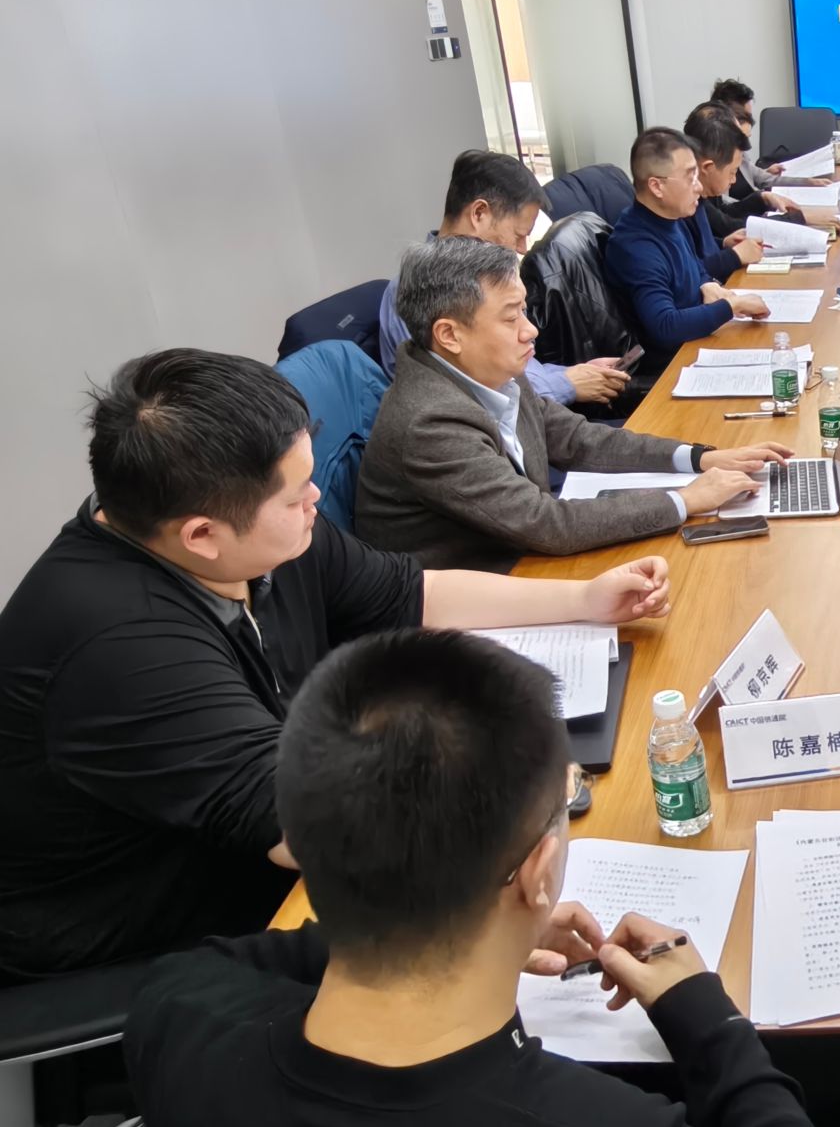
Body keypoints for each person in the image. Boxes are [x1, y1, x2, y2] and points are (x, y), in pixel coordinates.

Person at [125, 628, 840, 1127]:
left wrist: (449, 916)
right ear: (540, 872)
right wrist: (709, 1019)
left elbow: (227, 962)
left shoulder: (175, 1017)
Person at [0, 350, 676, 980]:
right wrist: (496, 882)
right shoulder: (119, 645)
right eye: (296, 495)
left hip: (279, 846)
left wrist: (582, 600)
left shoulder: (249, 535)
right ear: (201, 535)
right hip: (171, 935)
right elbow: (309, 826)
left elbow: (410, 593)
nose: (317, 501)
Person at [355, 237, 784, 571]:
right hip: (474, 598)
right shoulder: (430, 422)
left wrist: (698, 458)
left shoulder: (486, 369)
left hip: (524, 557)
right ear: (450, 334)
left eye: (524, 312)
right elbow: (546, 524)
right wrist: (685, 500)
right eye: (511, 317)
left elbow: (578, 439)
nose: (530, 331)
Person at [375, 149, 627, 410]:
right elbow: (480, 395)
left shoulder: (490, 278)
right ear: (479, 214)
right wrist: (566, 384)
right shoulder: (418, 292)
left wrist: (576, 373)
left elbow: (519, 367)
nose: (522, 249)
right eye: (518, 234)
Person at [606, 127, 770, 351]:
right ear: (657, 186)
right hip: (676, 358)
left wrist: (705, 283)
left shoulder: (670, 218)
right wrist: (731, 306)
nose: (699, 186)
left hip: (700, 338)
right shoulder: (636, 248)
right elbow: (665, 326)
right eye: (690, 177)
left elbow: (692, 265)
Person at [678, 107, 767, 277]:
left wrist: (723, 243)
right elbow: (686, 273)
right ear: (708, 168)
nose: (734, 180)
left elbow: (701, 249)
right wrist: (734, 256)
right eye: (732, 172)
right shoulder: (680, 206)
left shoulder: (698, 199)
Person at [708, 77, 818, 196]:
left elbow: (757, 177)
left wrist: (808, 182)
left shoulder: (738, 147)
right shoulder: (714, 155)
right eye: (745, 118)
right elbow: (721, 204)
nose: (750, 125)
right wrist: (762, 199)